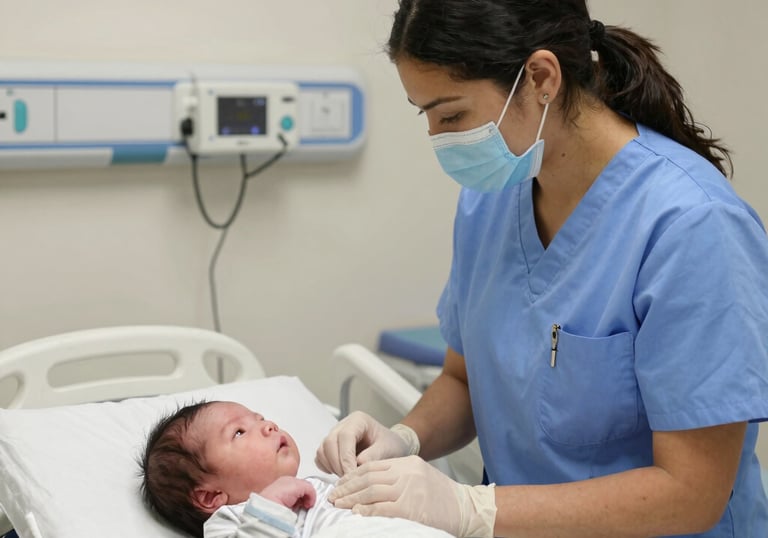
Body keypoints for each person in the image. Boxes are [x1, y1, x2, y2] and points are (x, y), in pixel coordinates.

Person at [315, 1, 768, 537]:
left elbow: (691, 493)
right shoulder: (491, 202)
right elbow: (464, 379)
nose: (438, 138)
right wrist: (404, 438)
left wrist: (472, 509)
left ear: (540, 77)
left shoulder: (691, 227)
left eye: (452, 114)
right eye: (426, 114)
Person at [139, 400, 452, 538]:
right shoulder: (231, 521)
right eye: (239, 432)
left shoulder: (322, 484)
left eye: (260, 418)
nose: (269, 425)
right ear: (210, 496)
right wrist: (271, 505)